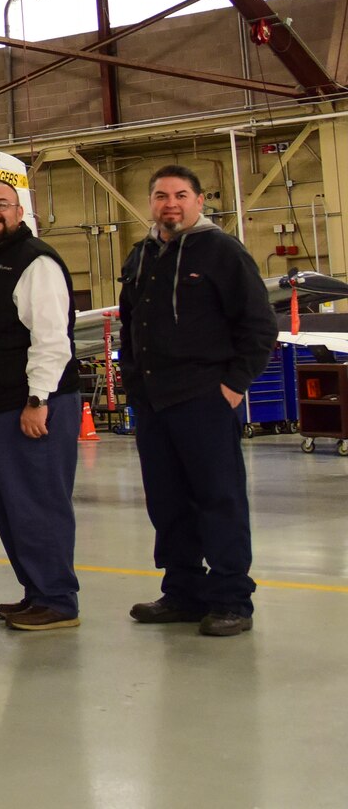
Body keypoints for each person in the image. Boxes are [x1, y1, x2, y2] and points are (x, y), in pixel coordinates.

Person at [119, 164, 277, 638]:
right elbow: (130, 326)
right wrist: (132, 384)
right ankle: (183, 592)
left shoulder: (222, 251)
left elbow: (259, 326)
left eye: (181, 194)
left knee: (218, 500)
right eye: (161, 195)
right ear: (150, 203)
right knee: (167, 503)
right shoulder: (141, 255)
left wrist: (232, 386)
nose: (171, 203)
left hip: (204, 400)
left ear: (199, 200)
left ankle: (231, 600)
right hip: (153, 404)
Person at [0, 179, 81, 632]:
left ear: (20, 210)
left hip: (29, 406)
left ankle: (58, 600)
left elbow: (51, 339)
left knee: (39, 504)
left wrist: (37, 400)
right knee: (11, 507)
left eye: (1, 205)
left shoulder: (36, 261)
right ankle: (36, 592)